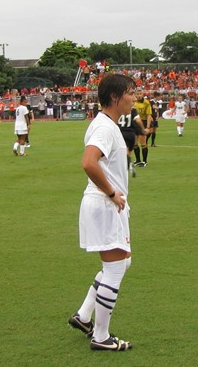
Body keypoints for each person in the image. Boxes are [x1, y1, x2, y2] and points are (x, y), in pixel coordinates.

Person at [68, 73, 135, 352]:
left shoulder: (107, 125)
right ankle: (101, 335)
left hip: (108, 205)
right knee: (116, 267)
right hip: (106, 204)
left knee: (121, 263)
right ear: (115, 97)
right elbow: (88, 162)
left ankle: (84, 316)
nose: (135, 98)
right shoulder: (104, 128)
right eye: (131, 92)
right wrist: (110, 192)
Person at [118, 106, 146, 178]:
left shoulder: (119, 109)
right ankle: (128, 165)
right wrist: (143, 129)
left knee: (122, 152)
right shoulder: (133, 110)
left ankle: (128, 166)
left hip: (120, 132)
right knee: (128, 152)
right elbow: (138, 121)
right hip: (131, 134)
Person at [133, 92, 152, 167]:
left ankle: (144, 161)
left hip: (143, 122)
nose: (138, 95)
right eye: (137, 94)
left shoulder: (146, 103)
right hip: (134, 123)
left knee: (143, 143)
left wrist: (147, 127)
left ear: (142, 95)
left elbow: (148, 115)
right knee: (134, 143)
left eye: (140, 94)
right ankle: (138, 160)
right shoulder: (133, 102)